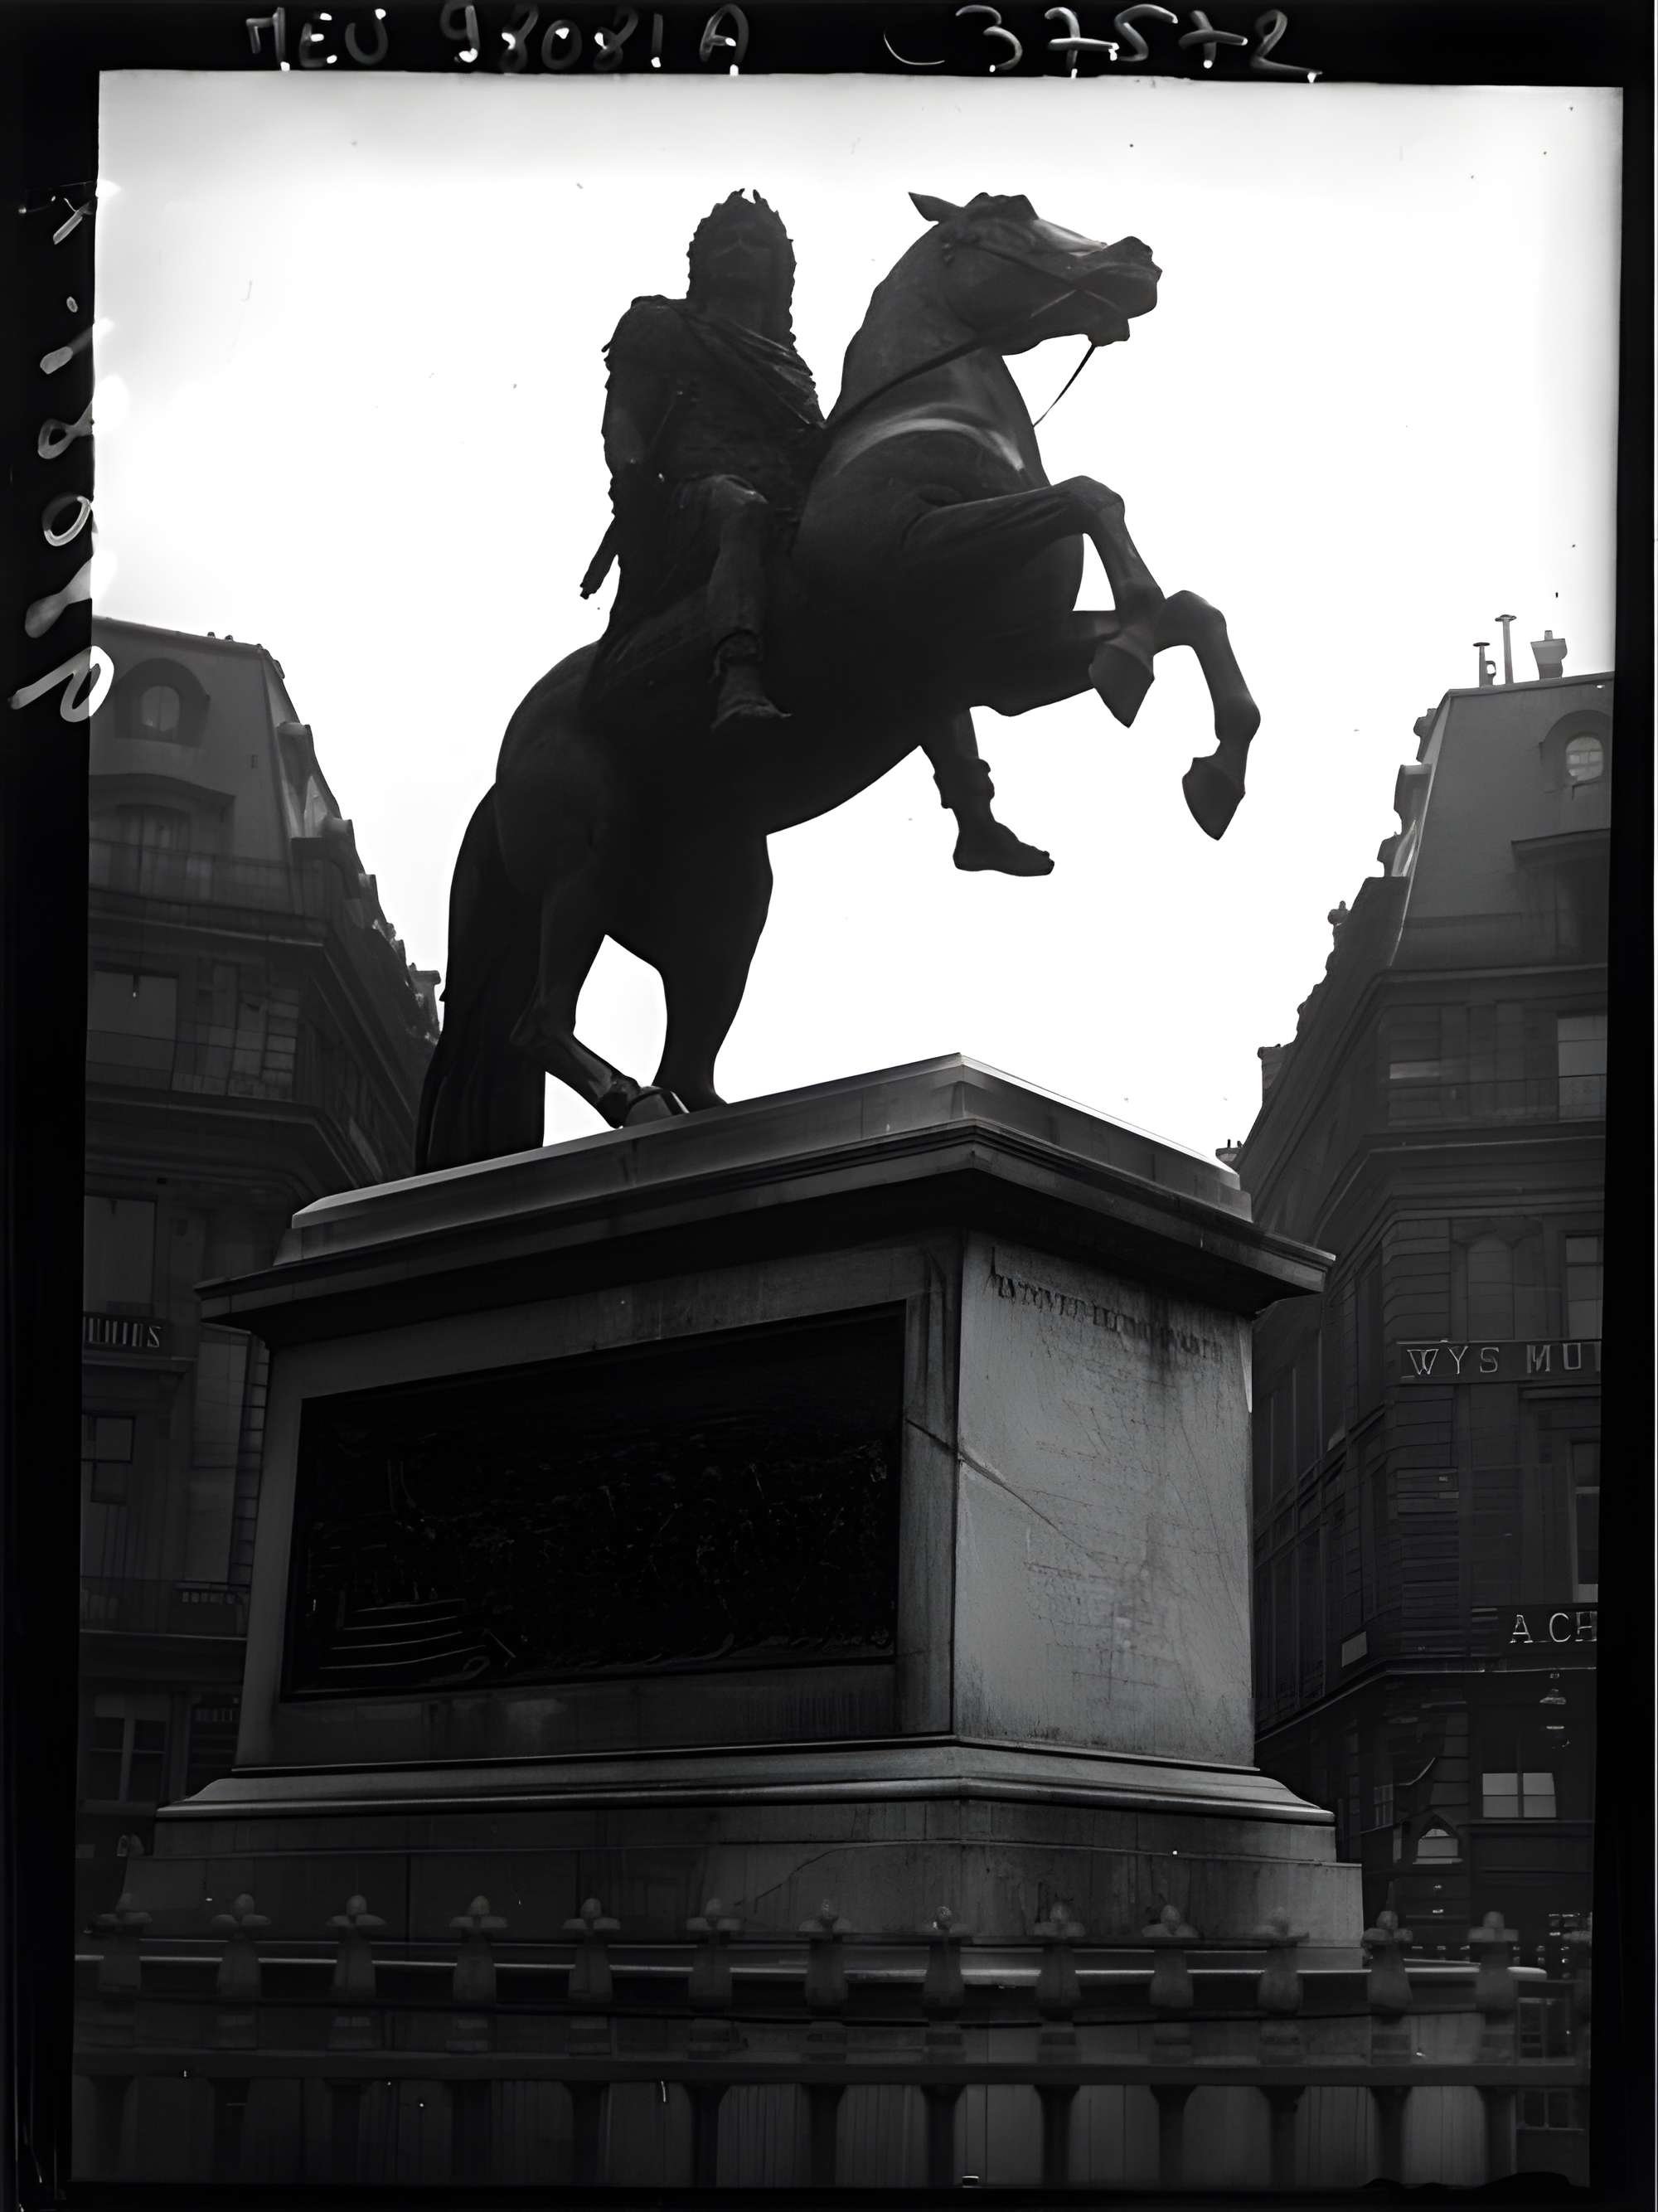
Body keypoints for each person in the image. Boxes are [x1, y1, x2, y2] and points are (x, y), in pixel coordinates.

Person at [581, 191, 1052, 876]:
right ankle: (737, 678)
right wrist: (629, 477)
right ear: (702, 260)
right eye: (728, 242)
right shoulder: (659, 327)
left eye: (756, 245)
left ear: (779, 270)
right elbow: (624, 417)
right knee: (741, 512)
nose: (741, 253)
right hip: (697, 501)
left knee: (904, 595)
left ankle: (972, 817)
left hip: (791, 505)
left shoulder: (788, 363)